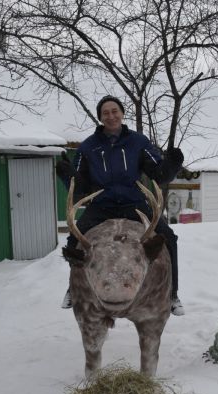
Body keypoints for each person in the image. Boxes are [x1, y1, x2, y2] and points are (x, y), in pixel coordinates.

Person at [56, 95, 185, 315]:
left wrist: (172, 164)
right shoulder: (88, 147)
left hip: (133, 203)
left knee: (169, 238)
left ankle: (172, 295)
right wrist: (68, 174)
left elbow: (158, 173)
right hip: (101, 205)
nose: (111, 116)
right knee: (74, 240)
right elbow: (81, 186)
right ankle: (73, 289)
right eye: (105, 113)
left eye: (114, 111)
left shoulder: (138, 142)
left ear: (122, 113)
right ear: (100, 117)